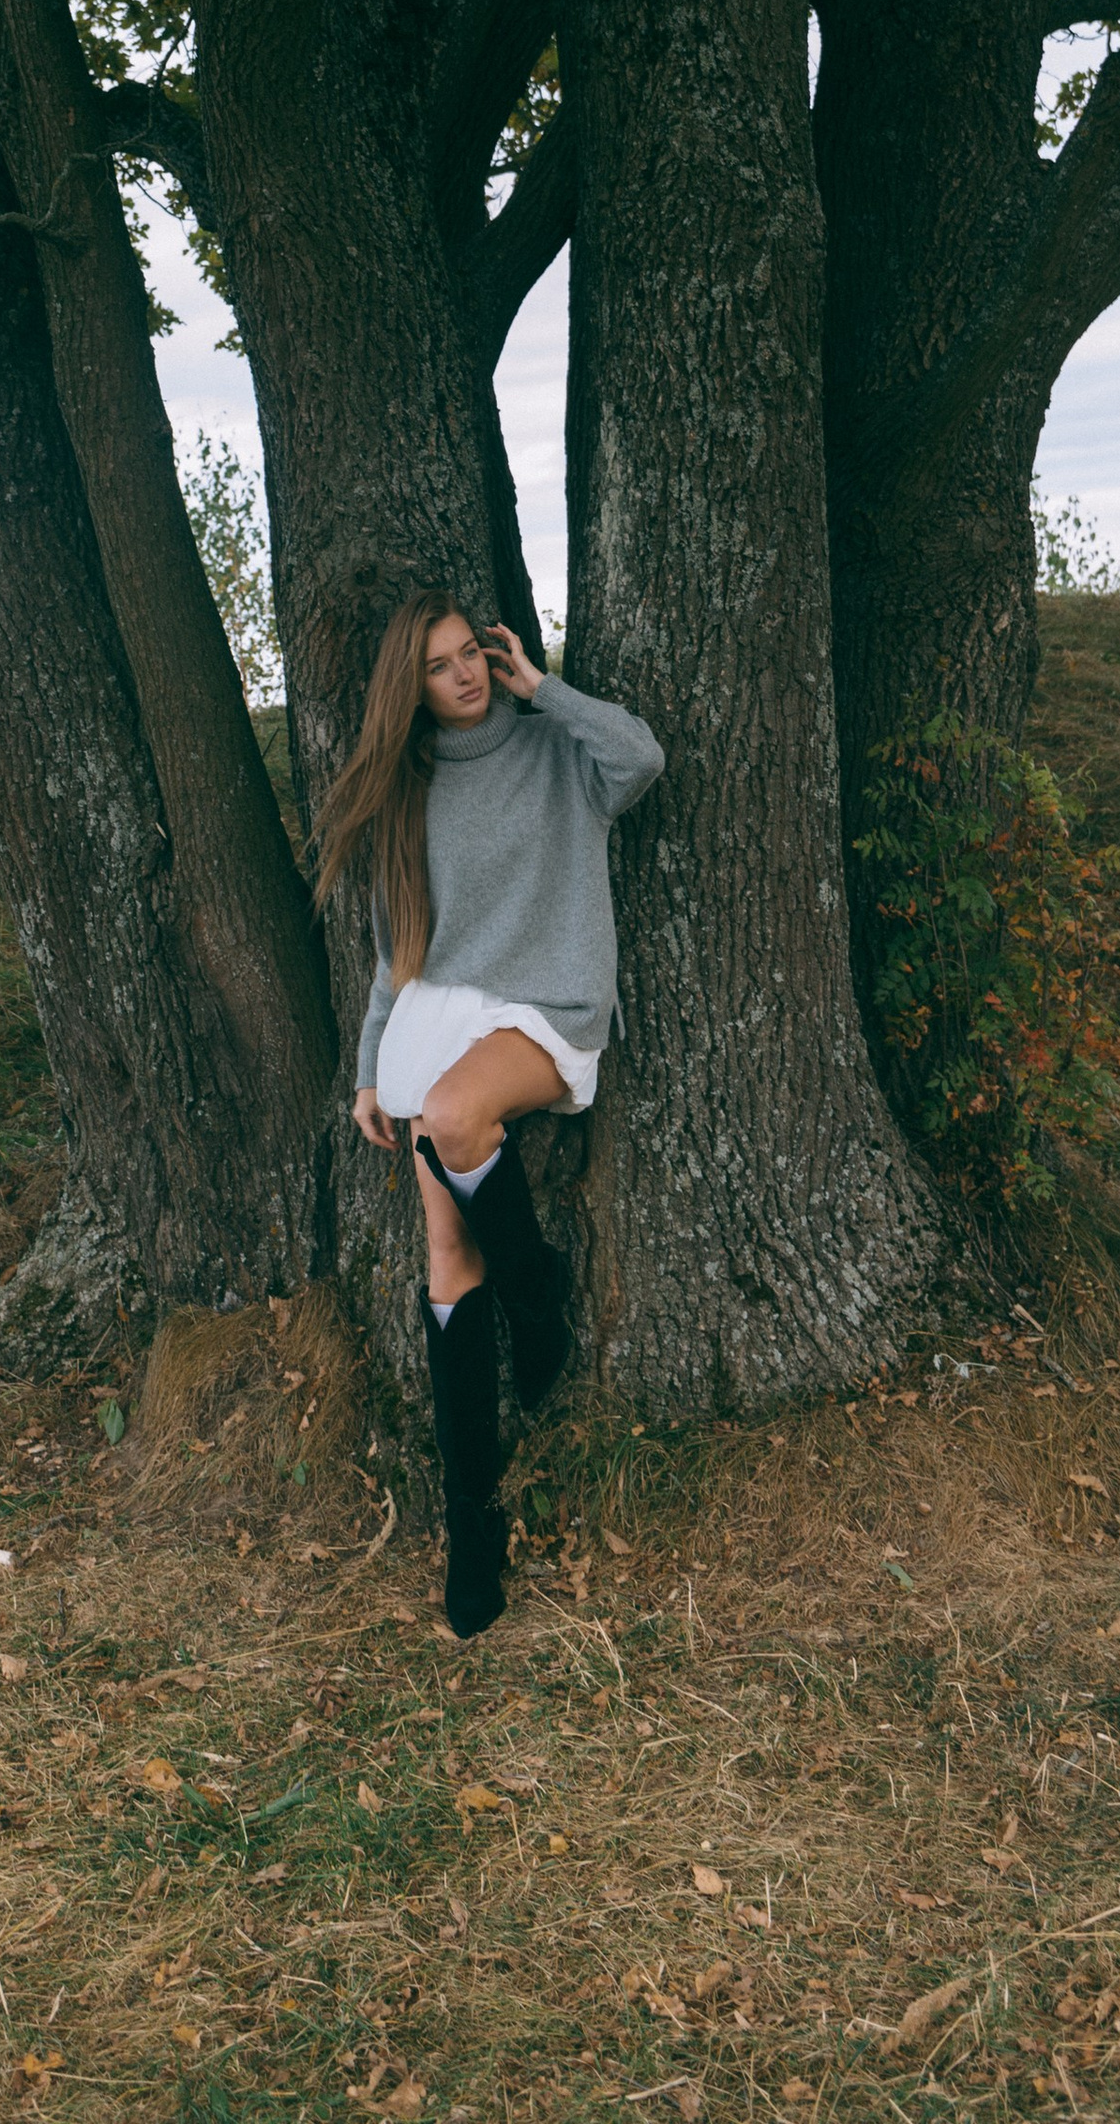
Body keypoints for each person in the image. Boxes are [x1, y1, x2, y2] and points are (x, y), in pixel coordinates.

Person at [314, 597, 664, 1637]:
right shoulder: (404, 791)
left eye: (475, 654)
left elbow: (641, 758)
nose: (465, 676)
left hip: (544, 1002)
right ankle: (473, 1526)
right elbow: (396, 950)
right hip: (439, 1004)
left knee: (458, 1116)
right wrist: (373, 1066)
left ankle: (539, 1290)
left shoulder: (561, 751)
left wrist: (540, 687)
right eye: (440, 665)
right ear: (407, 688)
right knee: (442, 1257)